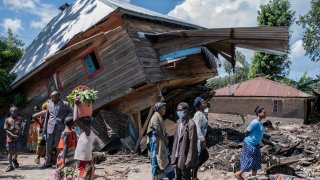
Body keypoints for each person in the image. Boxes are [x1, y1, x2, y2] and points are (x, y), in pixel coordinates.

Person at [42, 91, 73, 169]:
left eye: (53, 96)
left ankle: (58, 163)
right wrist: (44, 130)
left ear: (58, 96)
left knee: (58, 146)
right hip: (50, 128)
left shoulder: (65, 104)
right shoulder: (49, 105)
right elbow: (47, 117)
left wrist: (65, 118)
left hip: (60, 128)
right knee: (48, 146)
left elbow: (71, 112)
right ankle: (48, 162)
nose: (51, 98)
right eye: (51, 96)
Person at [234, 106, 266, 180]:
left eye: (265, 113)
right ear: (258, 113)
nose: (265, 114)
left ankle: (253, 178)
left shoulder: (259, 122)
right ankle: (238, 174)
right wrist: (251, 139)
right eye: (263, 113)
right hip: (250, 145)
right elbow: (245, 132)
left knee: (256, 163)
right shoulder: (255, 122)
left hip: (256, 145)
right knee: (249, 161)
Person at [147, 102, 175, 180]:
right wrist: (165, 139)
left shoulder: (158, 116)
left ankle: (160, 177)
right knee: (157, 160)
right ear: (159, 109)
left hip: (159, 142)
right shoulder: (155, 117)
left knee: (163, 159)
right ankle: (156, 177)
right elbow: (156, 131)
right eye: (163, 108)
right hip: (156, 143)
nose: (165, 110)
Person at [171, 102, 198, 180]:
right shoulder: (178, 122)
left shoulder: (191, 125)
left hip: (185, 157)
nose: (178, 112)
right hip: (177, 155)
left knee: (185, 177)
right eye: (177, 110)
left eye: (180, 110)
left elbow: (192, 145)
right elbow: (176, 139)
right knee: (177, 177)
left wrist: (189, 160)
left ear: (186, 111)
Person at [73, 96, 96, 180]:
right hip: (84, 160)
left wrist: (76, 105)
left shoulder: (88, 132)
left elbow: (75, 119)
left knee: (81, 177)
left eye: (81, 124)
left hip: (84, 162)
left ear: (85, 125)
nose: (80, 125)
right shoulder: (84, 133)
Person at [192, 97, 209, 179]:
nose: (205, 103)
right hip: (198, 140)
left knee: (203, 157)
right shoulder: (198, 114)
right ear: (199, 105)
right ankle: (193, 175)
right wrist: (202, 140)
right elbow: (197, 127)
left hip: (200, 139)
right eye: (203, 102)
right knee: (203, 156)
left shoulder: (202, 113)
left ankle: (194, 175)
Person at [4, 106, 23, 172]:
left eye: (16, 111)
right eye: (14, 111)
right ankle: (10, 166)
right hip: (10, 138)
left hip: (18, 138)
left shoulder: (20, 119)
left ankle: (14, 159)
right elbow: (6, 129)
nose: (15, 113)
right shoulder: (7, 119)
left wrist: (18, 135)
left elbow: (21, 127)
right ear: (10, 112)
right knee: (10, 152)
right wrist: (12, 135)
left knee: (17, 150)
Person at [33, 100, 50, 165]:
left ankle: (46, 158)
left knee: (48, 144)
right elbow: (34, 116)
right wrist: (40, 123)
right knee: (42, 144)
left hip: (49, 130)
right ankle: (38, 157)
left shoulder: (52, 111)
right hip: (43, 130)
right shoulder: (44, 112)